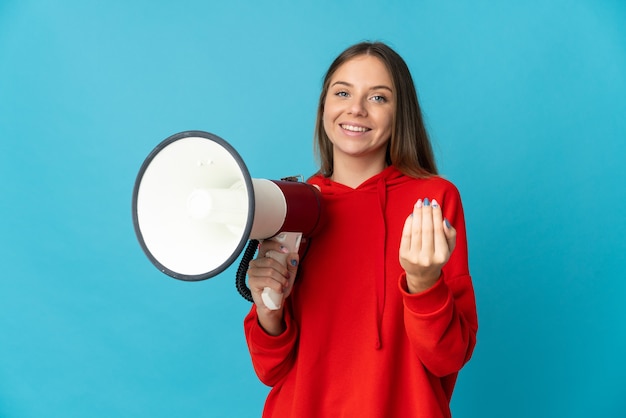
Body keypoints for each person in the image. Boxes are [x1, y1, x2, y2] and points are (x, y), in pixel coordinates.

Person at [244, 41, 478, 418]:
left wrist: (423, 283)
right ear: (324, 106)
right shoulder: (292, 206)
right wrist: (269, 310)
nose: (356, 108)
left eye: (379, 98)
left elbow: (447, 358)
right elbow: (270, 370)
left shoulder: (432, 202)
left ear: (400, 113)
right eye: (342, 92)